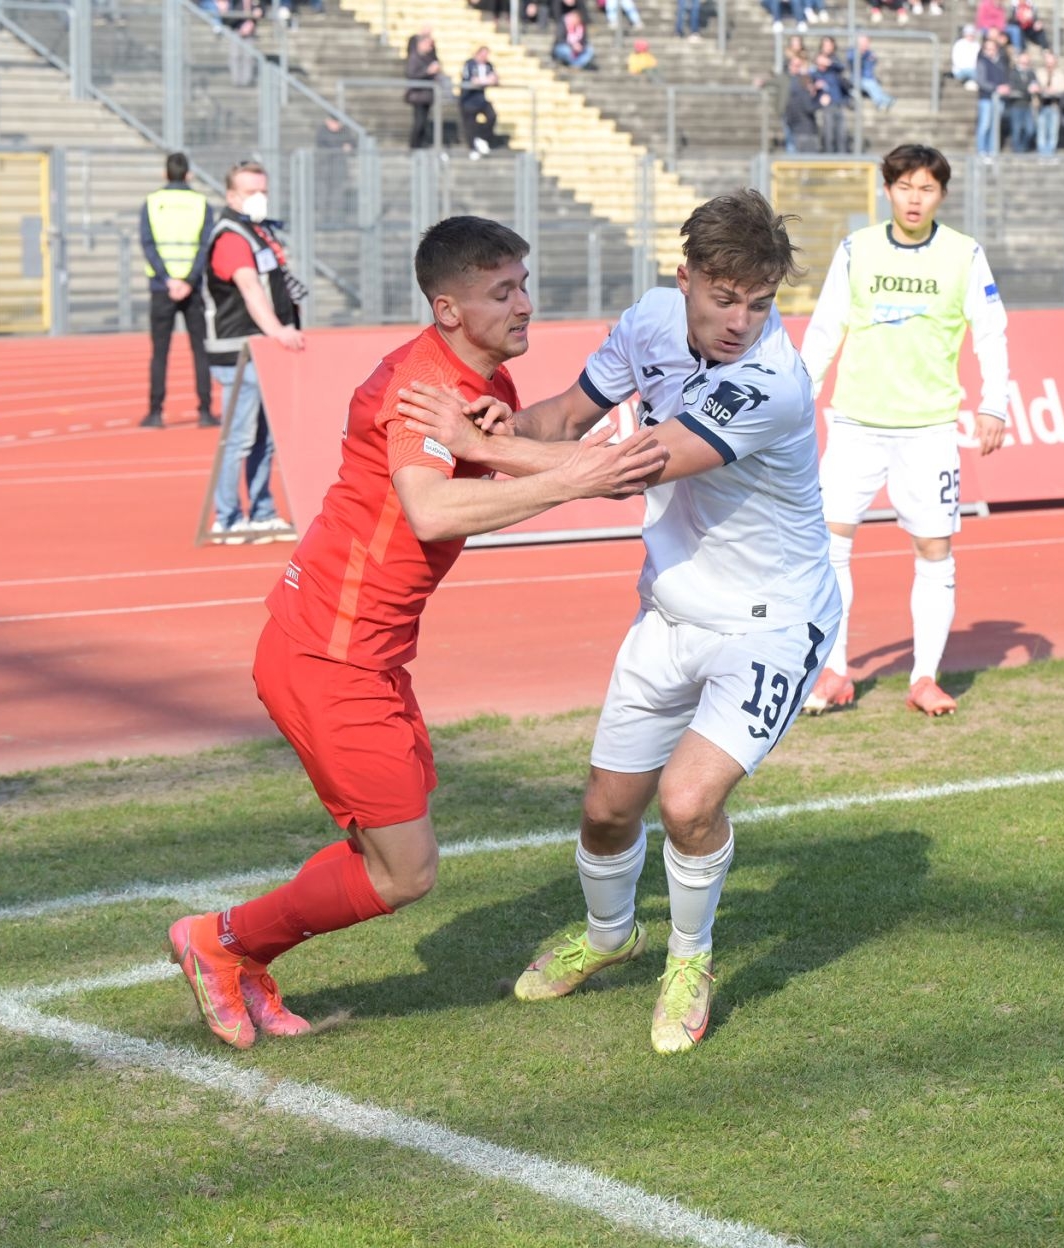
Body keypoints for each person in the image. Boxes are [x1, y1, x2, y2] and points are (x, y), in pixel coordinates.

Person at [165, 218, 667, 1049]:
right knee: (406, 872)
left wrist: (596, 456)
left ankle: (236, 952)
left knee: (387, 852)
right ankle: (218, 942)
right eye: (501, 291)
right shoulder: (418, 386)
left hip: (363, 652)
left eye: (523, 283)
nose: (524, 303)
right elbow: (432, 507)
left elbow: (523, 450)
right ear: (447, 308)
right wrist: (582, 475)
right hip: (330, 652)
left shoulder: (481, 391)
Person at [480, 190, 839, 1055]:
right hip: (670, 608)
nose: (741, 321)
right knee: (606, 813)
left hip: (772, 622)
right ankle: (610, 937)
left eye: (760, 303)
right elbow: (566, 419)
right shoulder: (647, 322)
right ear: (685, 280)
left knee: (685, 802)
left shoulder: (772, 383)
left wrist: (486, 452)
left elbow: (633, 465)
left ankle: (689, 957)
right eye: (724, 298)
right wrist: (481, 428)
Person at [799, 143, 1011, 717]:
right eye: (904, 186)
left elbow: (991, 332)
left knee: (933, 549)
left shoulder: (965, 255)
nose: (914, 198)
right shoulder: (856, 249)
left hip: (928, 430)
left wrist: (996, 403)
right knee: (830, 545)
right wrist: (799, 397)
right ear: (887, 190)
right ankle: (834, 671)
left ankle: (923, 677)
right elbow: (824, 330)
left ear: (941, 195)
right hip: (856, 423)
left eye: (927, 188)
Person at [200, 162, 301, 543]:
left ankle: (261, 511)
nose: (259, 198)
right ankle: (227, 517)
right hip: (240, 352)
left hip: (264, 352)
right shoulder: (230, 236)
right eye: (249, 192)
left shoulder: (257, 232)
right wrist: (277, 330)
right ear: (231, 196)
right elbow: (250, 288)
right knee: (239, 437)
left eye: (263, 190)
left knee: (265, 438)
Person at [138, 153, 217, 430]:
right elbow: (205, 246)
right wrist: (188, 279)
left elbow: (148, 244)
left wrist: (168, 279)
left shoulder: (152, 202)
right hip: (192, 288)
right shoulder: (200, 203)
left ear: (165, 174)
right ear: (188, 174)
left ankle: (155, 412)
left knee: (160, 353)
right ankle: (205, 411)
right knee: (200, 351)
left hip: (162, 288)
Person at [975, 29, 1011, 157]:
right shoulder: (982, 62)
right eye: (987, 49)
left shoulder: (1001, 62)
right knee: (985, 125)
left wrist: (1006, 87)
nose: (990, 51)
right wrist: (996, 88)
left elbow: (1006, 77)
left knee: (995, 127)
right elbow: (981, 81)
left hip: (999, 99)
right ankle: (982, 151)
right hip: (986, 98)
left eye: (992, 48)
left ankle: (992, 151)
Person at [460, 45, 499, 157]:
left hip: (481, 99)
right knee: (470, 125)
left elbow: (494, 78)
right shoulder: (469, 64)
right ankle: (473, 149)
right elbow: (471, 80)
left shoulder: (488, 65)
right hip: (468, 100)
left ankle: (482, 138)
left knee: (492, 116)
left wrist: (487, 80)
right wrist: (486, 80)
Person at [405, 29, 441, 149]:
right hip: (418, 96)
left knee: (423, 123)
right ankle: (414, 146)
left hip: (427, 96)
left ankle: (419, 145)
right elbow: (411, 75)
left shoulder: (429, 57)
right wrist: (428, 71)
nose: (430, 47)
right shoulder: (414, 57)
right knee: (419, 123)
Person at [1034, 49, 1064, 155]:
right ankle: (1042, 152)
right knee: (1041, 129)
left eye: (1051, 60)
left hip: (1054, 105)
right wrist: (1044, 89)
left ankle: (1050, 152)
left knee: (1053, 130)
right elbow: (1036, 85)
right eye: (1048, 60)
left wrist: (1054, 90)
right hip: (1041, 104)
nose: (1049, 63)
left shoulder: (1060, 74)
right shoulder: (1039, 72)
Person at [856, 35, 894, 110]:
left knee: (875, 86)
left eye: (866, 42)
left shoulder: (869, 53)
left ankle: (885, 100)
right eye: (862, 42)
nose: (865, 44)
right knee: (871, 85)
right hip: (859, 79)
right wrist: (861, 54)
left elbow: (873, 62)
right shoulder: (854, 52)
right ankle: (882, 101)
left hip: (869, 78)